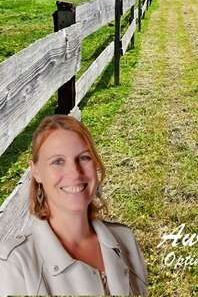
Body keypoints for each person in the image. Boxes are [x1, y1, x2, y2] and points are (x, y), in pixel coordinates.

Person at [0, 115, 148, 295]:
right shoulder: (14, 263)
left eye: (84, 158)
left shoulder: (125, 239)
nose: (75, 173)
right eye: (57, 161)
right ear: (36, 171)